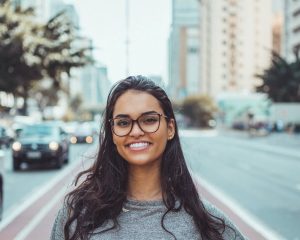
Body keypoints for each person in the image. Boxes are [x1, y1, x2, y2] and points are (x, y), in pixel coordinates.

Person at [51, 75, 246, 240]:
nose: (136, 131)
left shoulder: (207, 223)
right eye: (123, 122)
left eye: (149, 120)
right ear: (112, 132)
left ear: (170, 128)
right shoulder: (76, 215)